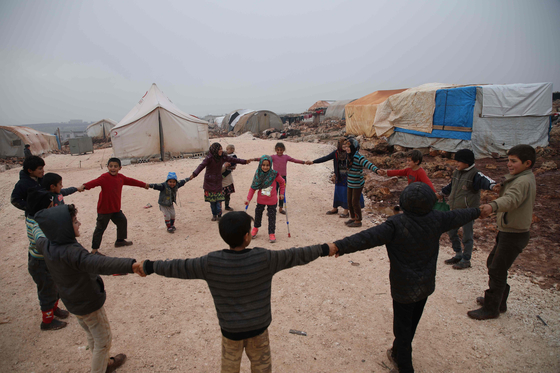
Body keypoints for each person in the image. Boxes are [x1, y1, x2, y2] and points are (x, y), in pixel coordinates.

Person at [136, 211, 336, 373]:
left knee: (229, 367)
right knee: (262, 366)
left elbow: (179, 267)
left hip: (230, 331)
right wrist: (324, 248)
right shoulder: (264, 258)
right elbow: (296, 255)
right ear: (247, 236)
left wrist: (150, 266)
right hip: (258, 330)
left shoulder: (210, 263)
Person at [328, 182, 484, 373]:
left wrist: (339, 246)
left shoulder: (395, 224)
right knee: (412, 322)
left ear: (403, 203)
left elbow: (366, 238)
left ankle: (405, 366)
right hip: (425, 284)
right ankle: (397, 351)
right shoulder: (438, 218)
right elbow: (461, 214)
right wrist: (479, 211)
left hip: (403, 288)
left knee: (402, 328)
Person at [33, 204, 143, 373]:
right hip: (88, 304)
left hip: (72, 302)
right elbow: (100, 263)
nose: (79, 224)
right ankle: (102, 368)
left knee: (92, 335)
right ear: (63, 228)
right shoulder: (73, 253)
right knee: (103, 340)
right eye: (75, 221)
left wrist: (37, 217)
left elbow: (36, 233)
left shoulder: (46, 245)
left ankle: (105, 363)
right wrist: (131, 265)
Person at [468, 145, 537, 320]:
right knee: (494, 263)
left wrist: (493, 206)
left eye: (513, 161)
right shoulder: (520, 178)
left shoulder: (522, 181)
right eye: (508, 160)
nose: (508, 164)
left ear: (527, 163)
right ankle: (499, 301)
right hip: (509, 231)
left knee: (497, 269)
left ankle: (492, 309)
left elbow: (511, 199)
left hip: (514, 234)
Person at [439, 149, 497, 269]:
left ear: (467, 162)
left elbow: (486, 181)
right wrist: (440, 193)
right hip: (454, 209)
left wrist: (494, 186)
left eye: (459, 161)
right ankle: (458, 254)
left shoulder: (474, 175)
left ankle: (466, 259)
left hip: (468, 212)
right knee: (451, 231)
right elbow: (451, 186)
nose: (456, 164)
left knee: (467, 235)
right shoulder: (457, 172)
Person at [80, 158, 149, 255]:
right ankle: (94, 250)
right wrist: (84, 186)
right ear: (107, 167)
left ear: (120, 168)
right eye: (111, 166)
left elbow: (132, 181)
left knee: (122, 221)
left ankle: (120, 241)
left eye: (115, 166)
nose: (113, 168)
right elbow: (94, 182)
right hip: (104, 210)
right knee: (100, 229)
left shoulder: (121, 178)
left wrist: (144, 185)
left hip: (115, 209)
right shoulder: (104, 177)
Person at [24, 187, 70, 331]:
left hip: (47, 261)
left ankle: (54, 308)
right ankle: (47, 321)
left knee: (54, 286)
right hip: (40, 263)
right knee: (47, 290)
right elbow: (40, 240)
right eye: (50, 207)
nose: (52, 209)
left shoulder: (35, 218)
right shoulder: (36, 224)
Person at [190, 143, 249, 221]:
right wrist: (194, 174)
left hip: (218, 181)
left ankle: (219, 215)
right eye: (219, 149)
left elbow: (234, 160)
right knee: (212, 201)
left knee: (219, 200)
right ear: (215, 150)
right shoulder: (209, 158)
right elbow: (201, 166)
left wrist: (244, 161)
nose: (221, 150)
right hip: (209, 182)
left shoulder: (222, 157)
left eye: (221, 148)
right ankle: (214, 215)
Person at [306, 138, 362, 218]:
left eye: (345, 144)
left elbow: (358, 162)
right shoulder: (336, 153)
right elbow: (325, 158)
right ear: (339, 145)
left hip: (348, 176)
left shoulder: (349, 153)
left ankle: (346, 211)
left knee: (346, 193)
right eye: (342, 144)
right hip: (339, 176)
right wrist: (313, 162)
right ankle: (335, 208)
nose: (343, 146)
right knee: (338, 192)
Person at [253, 142, 306, 215]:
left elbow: (294, 160)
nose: (280, 151)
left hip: (283, 178)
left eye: (281, 150)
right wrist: (254, 159)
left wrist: (304, 162)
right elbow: (263, 159)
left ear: (284, 150)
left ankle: (280, 208)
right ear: (275, 150)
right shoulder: (273, 157)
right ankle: (270, 209)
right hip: (274, 178)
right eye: (278, 150)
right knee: (271, 193)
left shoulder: (286, 157)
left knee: (282, 193)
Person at [245, 155, 285, 243]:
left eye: (267, 165)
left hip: (272, 201)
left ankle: (271, 233)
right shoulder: (258, 175)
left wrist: (281, 193)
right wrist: (248, 199)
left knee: (272, 217)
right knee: (258, 214)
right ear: (260, 165)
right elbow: (253, 188)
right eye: (263, 165)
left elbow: (282, 182)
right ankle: (255, 228)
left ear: (270, 165)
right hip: (261, 200)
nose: (265, 167)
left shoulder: (274, 174)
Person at [344, 137, 379, 227]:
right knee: (349, 201)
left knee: (355, 202)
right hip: (350, 182)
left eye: (349, 146)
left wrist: (376, 170)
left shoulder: (358, 157)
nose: (346, 148)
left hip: (357, 183)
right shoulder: (348, 156)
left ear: (353, 147)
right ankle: (352, 218)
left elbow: (368, 164)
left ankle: (358, 220)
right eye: (346, 146)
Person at [222, 144, 237, 211]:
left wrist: (230, 164)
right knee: (220, 196)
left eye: (228, 149)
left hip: (228, 177)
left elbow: (235, 162)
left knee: (227, 194)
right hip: (221, 180)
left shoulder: (233, 156)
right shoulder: (223, 156)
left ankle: (227, 205)